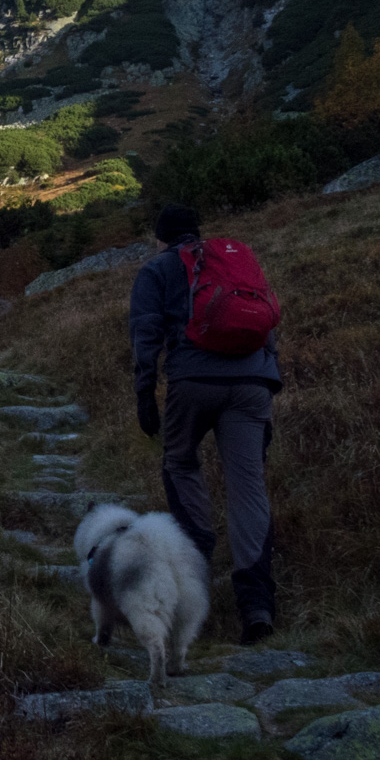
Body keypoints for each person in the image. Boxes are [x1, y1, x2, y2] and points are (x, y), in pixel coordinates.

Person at [129, 204, 281, 645]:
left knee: (179, 462)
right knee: (248, 486)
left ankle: (197, 559)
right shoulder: (228, 259)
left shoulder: (157, 268)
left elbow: (145, 333)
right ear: (196, 232)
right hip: (253, 381)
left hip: (193, 381)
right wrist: (270, 374)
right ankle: (256, 604)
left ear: (160, 237)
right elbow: (265, 317)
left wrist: (144, 392)